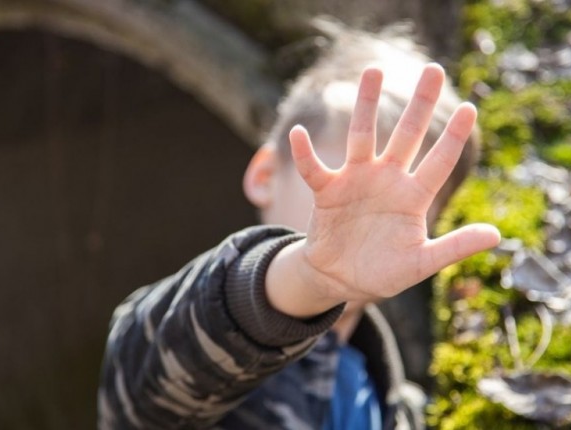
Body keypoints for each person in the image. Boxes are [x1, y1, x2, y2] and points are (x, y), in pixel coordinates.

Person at [98, 27, 501, 430]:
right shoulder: (206, 347)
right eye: (348, 176)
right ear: (266, 176)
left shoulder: (397, 406)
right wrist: (309, 278)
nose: (374, 212)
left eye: (409, 199)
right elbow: (139, 386)